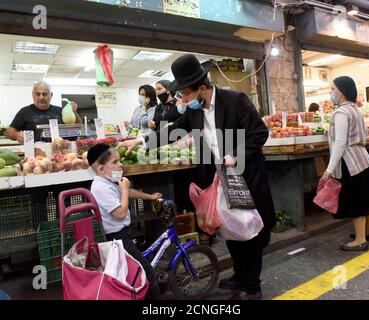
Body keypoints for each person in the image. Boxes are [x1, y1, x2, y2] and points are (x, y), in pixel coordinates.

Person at [120, 54, 276, 300]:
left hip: (244, 176)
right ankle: (239, 276)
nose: (182, 100)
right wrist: (140, 140)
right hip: (219, 179)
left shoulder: (235, 100)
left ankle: (252, 285)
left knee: (249, 231)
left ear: (202, 88)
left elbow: (259, 133)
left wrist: (235, 154)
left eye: (186, 94)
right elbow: (173, 131)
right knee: (229, 228)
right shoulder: (194, 111)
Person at [87, 143, 163, 299]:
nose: (120, 165)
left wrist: (149, 197)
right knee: (147, 272)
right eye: (114, 162)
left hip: (122, 236)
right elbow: (120, 213)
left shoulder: (107, 183)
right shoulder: (101, 188)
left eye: (119, 160)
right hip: (118, 238)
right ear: (101, 169)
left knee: (133, 273)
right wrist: (125, 189)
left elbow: (127, 193)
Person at [321, 76, 369, 251]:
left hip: (350, 162)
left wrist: (329, 168)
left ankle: (360, 240)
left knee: (356, 200)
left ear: (342, 91)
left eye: (333, 89)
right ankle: (368, 232)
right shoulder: (355, 110)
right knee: (366, 196)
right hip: (363, 159)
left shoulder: (341, 113)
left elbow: (340, 143)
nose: (331, 92)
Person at [6, 81, 81, 142]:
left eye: (44, 94)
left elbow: (77, 126)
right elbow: (9, 132)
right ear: (33, 95)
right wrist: (17, 135)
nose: (41, 97)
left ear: (51, 95)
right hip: (34, 153)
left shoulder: (60, 110)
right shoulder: (24, 111)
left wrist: (74, 111)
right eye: (38, 94)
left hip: (59, 151)